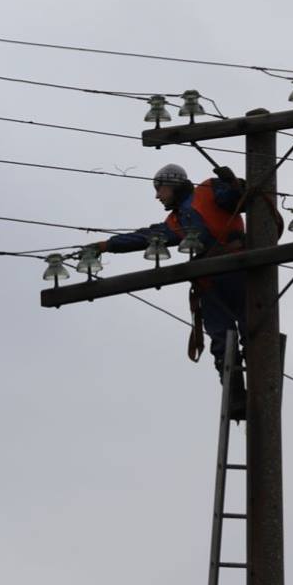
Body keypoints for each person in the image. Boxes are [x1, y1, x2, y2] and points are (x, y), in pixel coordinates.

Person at [88, 162, 250, 416]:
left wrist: (233, 183)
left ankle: (261, 379)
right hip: (208, 280)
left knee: (253, 330)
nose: (157, 195)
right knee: (221, 340)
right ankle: (236, 396)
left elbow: (238, 200)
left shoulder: (208, 190)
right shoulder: (174, 221)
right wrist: (106, 245)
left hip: (238, 268)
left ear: (173, 184)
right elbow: (145, 237)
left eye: (159, 189)